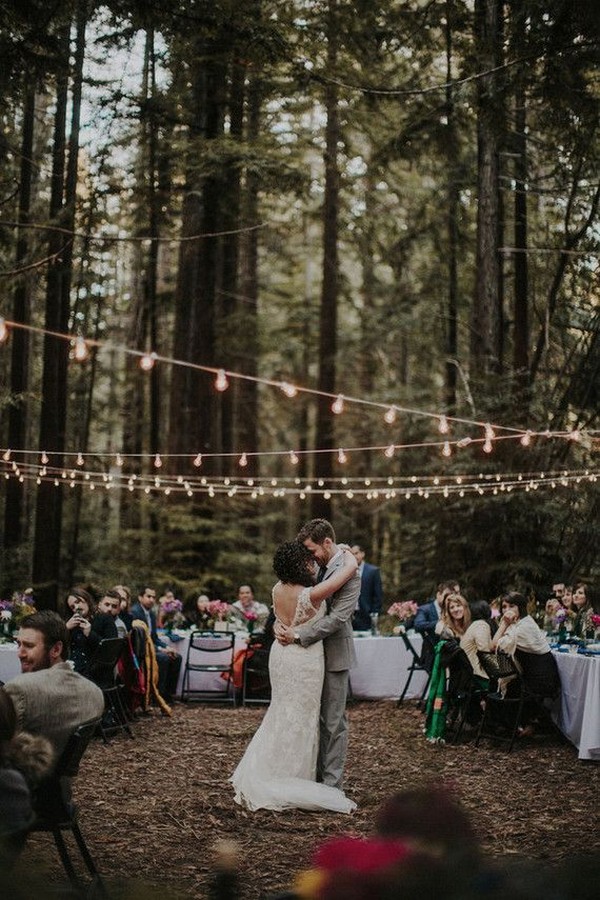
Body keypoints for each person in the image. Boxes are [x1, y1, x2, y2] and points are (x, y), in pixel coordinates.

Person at [231, 539, 357, 812]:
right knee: (302, 717)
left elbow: (280, 617)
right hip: (304, 657)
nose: (312, 562)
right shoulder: (310, 594)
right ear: (299, 564)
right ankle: (296, 778)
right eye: (307, 559)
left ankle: (271, 770)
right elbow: (343, 577)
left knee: (282, 712)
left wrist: (280, 624)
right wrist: (348, 555)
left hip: (282, 655)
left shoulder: (277, 589)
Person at [275, 518, 361, 791]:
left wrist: (299, 635)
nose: (309, 557)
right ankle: (309, 776)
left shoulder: (351, 573)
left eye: (312, 550)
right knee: (309, 717)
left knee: (333, 722)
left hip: (333, 653)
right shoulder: (324, 564)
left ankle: (331, 784)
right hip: (308, 659)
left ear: (327, 542)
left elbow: (337, 618)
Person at [4, 611, 104, 759]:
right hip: (61, 780)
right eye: (18, 644)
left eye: (29, 646)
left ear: (56, 649)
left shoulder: (19, 689)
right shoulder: (94, 692)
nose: (20, 653)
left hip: (21, 777)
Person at [130, 586, 182, 704]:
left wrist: (166, 647)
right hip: (141, 649)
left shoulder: (152, 614)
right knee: (163, 658)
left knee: (176, 657)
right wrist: (159, 649)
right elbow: (139, 641)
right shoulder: (135, 612)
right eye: (148, 596)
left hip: (152, 646)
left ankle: (168, 694)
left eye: (154, 597)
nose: (152, 599)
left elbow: (154, 638)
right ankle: (157, 695)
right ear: (140, 597)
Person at [64, 588, 117, 676]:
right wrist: (65, 629)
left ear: (86, 599)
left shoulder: (105, 619)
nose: (76, 608)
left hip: (97, 674)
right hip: (73, 672)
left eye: (78, 602)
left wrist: (90, 634)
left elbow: (111, 651)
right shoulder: (71, 624)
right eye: (72, 607)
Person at [350, 544, 383, 631]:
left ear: (362, 554)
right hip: (349, 615)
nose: (354, 556)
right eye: (352, 554)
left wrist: (373, 614)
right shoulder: (347, 571)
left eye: (356, 553)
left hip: (366, 615)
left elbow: (378, 595)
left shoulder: (373, 571)